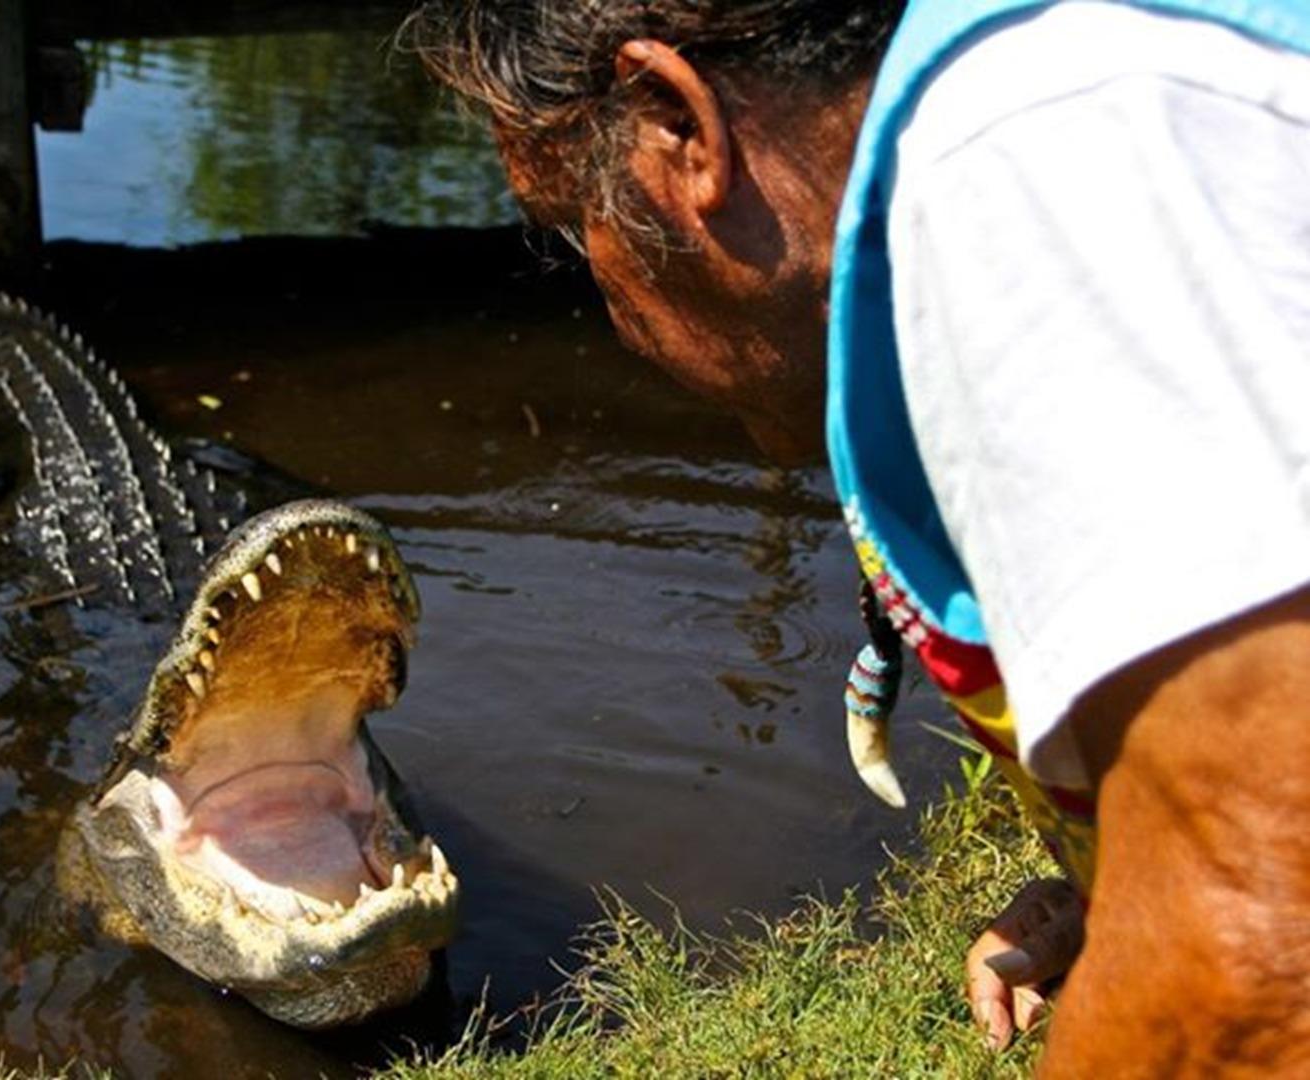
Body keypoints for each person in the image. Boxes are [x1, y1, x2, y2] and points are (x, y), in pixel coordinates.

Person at [403, 0, 1310, 1073]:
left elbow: (1259, 955)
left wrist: (1187, 913)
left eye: (569, 226)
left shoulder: (1034, 151)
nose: (605, 301)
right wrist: (1121, 876)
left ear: (682, 130)